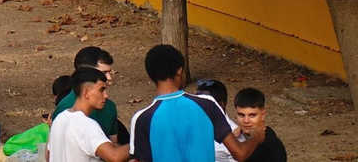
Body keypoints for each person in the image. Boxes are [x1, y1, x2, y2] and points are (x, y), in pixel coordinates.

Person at [129, 45, 260, 162]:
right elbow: (240, 153)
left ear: (151, 75)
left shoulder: (142, 118)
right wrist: (256, 136)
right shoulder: (207, 104)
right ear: (179, 71)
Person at [49, 68, 133, 162]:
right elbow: (115, 156)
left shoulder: (60, 118)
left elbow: (48, 155)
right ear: (86, 93)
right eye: (101, 90)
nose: (106, 95)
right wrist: (140, 141)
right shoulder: (86, 125)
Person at [54, 47, 124, 144]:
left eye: (109, 72)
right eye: (104, 73)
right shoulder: (65, 110)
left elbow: (114, 143)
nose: (109, 77)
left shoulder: (109, 106)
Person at [232, 89, 287, 162]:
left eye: (252, 115)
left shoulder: (272, 146)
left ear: (263, 115)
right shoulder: (238, 136)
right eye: (241, 115)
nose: (246, 121)